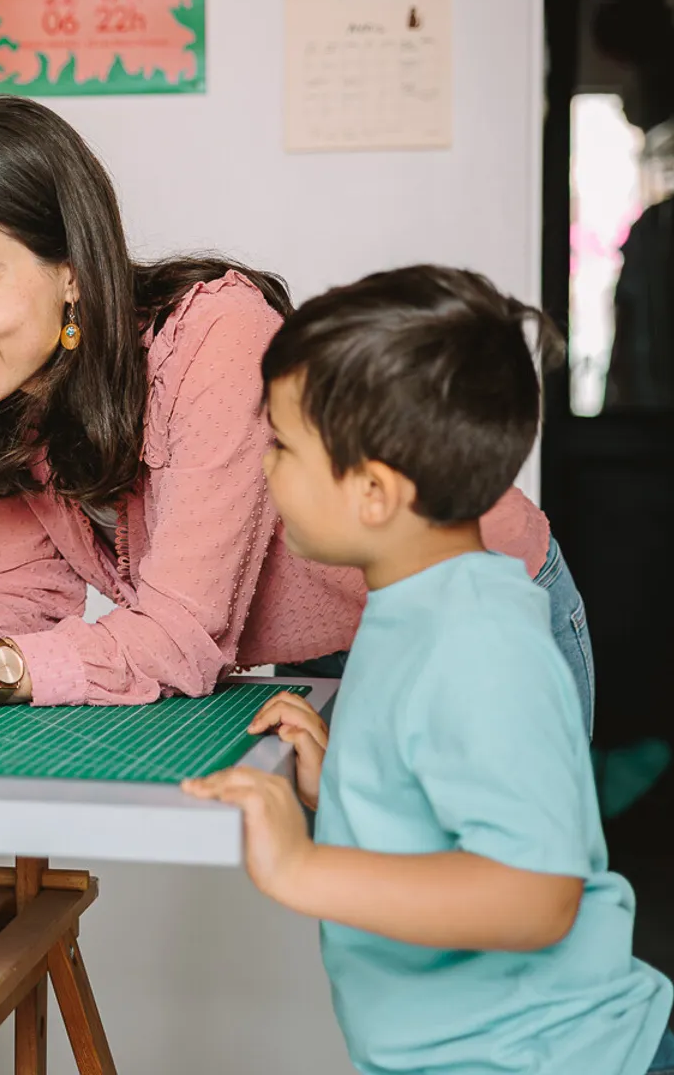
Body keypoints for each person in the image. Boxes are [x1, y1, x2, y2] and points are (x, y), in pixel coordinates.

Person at [0, 98, 594, 729]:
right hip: (319, 650)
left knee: (490, 919)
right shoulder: (2, 385)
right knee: (383, 931)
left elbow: (179, 638)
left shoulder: (216, 337)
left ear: (72, 272)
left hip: (473, 611)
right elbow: (27, 593)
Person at [183, 265, 673, 1075]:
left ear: (374, 492)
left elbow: (535, 895)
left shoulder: (479, 645)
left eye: (282, 444)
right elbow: (452, 800)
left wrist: (304, 865)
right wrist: (342, 784)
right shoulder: (417, 605)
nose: (262, 467)